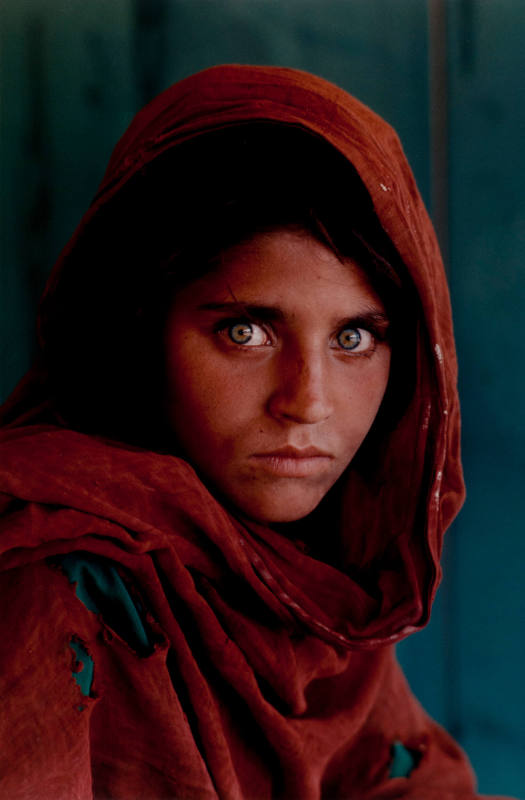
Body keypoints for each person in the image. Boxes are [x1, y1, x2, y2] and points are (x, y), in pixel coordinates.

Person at [0, 65, 510, 799]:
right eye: (245, 331)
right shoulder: (57, 584)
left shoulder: (312, 591)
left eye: (355, 338)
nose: (307, 402)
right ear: (140, 329)